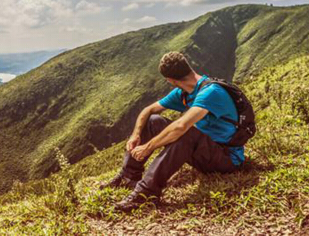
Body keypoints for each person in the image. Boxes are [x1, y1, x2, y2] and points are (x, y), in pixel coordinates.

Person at [100, 51, 247, 212]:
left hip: (227, 159)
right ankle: (129, 176)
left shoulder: (211, 92)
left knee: (186, 134)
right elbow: (148, 110)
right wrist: (136, 134)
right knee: (153, 120)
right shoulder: (184, 92)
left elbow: (180, 127)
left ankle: (146, 194)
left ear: (170, 80)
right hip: (206, 151)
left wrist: (148, 147)